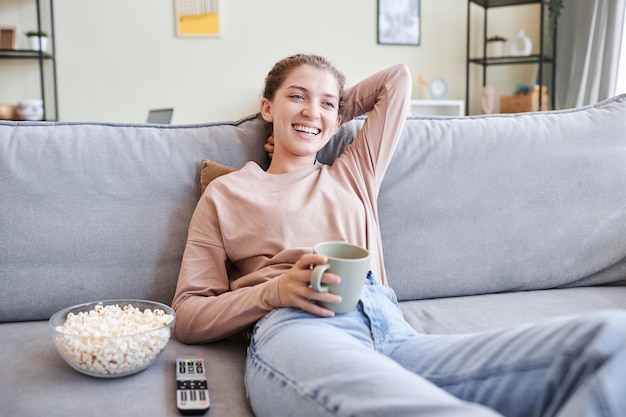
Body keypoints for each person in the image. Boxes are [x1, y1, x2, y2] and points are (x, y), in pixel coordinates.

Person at [172, 53, 626, 417]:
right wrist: (274, 292)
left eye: (328, 102)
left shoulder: (353, 172)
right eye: (296, 97)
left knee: (613, 341)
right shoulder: (227, 192)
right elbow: (189, 313)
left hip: (391, 331)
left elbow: (397, 80)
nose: (312, 110)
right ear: (267, 107)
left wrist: (323, 118)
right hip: (296, 327)